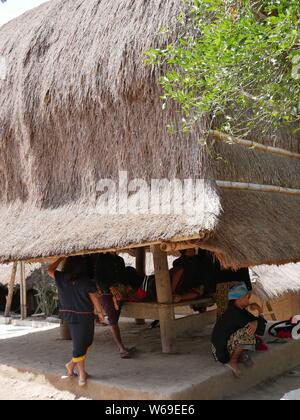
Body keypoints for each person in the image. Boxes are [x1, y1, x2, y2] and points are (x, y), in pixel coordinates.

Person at [48, 256, 104, 386]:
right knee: (80, 344)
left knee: (86, 342)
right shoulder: (86, 282)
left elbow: (50, 269)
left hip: (70, 316)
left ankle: (70, 365)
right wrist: (100, 314)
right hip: (84, 317)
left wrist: (60, 259)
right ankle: (82, 375)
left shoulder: (61, 277)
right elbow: (95, 300)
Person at [211, 282, 267, 378]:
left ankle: (239, 356)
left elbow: (261, 328)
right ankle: (232, 362)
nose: (248, 299)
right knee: (247, 332)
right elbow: (258, 328)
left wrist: (259, 311)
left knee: (253, 333)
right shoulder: (234, 314)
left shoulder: (239, 310)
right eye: (246, 297)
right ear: (238, 299)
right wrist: (256, 322)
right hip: (220, 354)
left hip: (224, 346)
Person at [94, 253, 136, 358]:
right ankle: (121, 348)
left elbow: (123, 277)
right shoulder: (101, 258)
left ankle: (122, 347)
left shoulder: (120, 260)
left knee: (115, 318)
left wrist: (127, 287)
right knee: (113, 319)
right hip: (105, 293)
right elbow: (98, 279)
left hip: (119, 292)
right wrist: (110, 287)